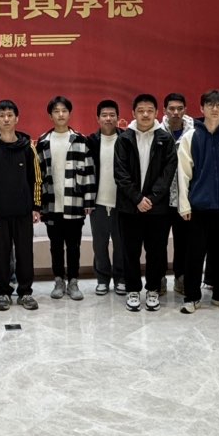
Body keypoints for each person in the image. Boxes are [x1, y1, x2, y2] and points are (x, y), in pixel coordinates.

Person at [176, 90, 219, 313]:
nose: (215, 109)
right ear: (202, 108)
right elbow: (183, 174)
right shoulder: (190, 137)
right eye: (210, 105)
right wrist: (184, 205)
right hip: (199, 206)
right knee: (194, 254)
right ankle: (192, 297)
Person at [114, 94, 177, 313]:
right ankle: (133, 290)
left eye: (150, 110)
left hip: (157, 209)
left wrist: (151, 198)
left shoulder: (165, 139)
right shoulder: (124, 139)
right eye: (141, 111)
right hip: (129, 207)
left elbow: (168, 173)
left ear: (157, 113)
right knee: (130, 251)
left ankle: (152, 290)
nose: (145, 115)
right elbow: (120, 173)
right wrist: (137, 198)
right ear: (133, 113)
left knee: (156, 252)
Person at [0, 99, 41, 311]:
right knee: (1, 254)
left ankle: (25, 292)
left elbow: (36, 179)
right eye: (2, 116)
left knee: (25, 254)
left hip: (23, 212)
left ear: (17, 119)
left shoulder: (28, 148)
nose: (6, 119)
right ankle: (4, 292)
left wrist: (36, 207)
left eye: (10, 115)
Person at [37, 96, 96, 301]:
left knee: (73, 246)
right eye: (56, 111)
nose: (60, 114)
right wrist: (38, 204)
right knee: (55, 246)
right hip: (51, 203)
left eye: (64, 111)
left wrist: (89, 201)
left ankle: (73, 281)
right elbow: (38, 175)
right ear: (50, 115)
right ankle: (58, 281)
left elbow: (89, 172)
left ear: (69, 114)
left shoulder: (80, 140)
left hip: (75, 203)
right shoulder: (43, 142)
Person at [88, 99, 126, 296]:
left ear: (118, 118)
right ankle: (102, 279)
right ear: (97, 118)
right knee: (99, 244)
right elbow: (85, 172)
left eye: (112, 115)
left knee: (121, 244)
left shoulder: (126, 139)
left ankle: (121, 278)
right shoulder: (91, 141)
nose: (108, 118)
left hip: (122, 202)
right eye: (104, 115)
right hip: (98, 203)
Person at [162, 93, 193, 296]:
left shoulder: (194, 132)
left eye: (179, 108)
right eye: (171, 108)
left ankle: (181, 277)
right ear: (165, 110)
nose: (175, 112)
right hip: (161, 198)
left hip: (186, 197)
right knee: (158, 242)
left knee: (184, 241)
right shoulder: (157, 131)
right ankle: (159, 278)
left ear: (185, 110)